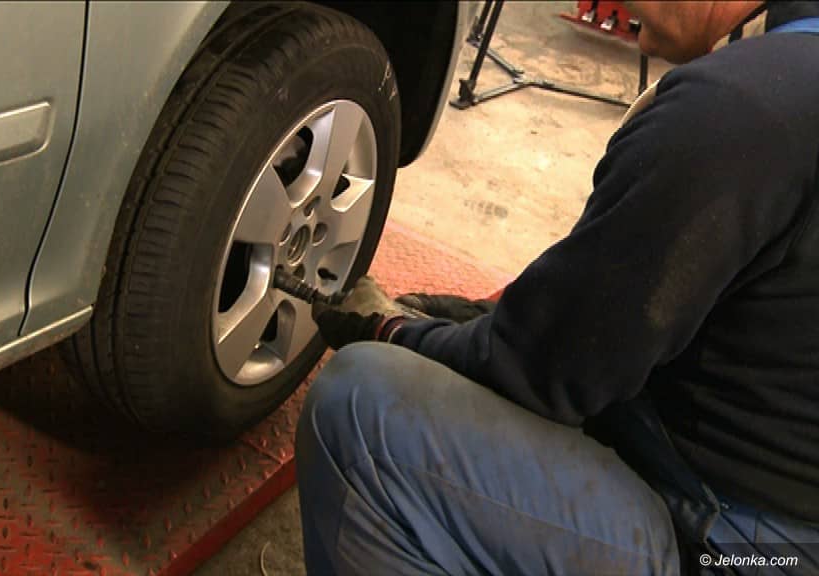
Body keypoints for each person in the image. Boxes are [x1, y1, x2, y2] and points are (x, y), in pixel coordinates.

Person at [296, 2, 819, 574]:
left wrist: (393, 331)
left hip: (745, 549)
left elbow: (547, 374)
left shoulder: (735, 111)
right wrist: (480, 320)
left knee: (361, 412)